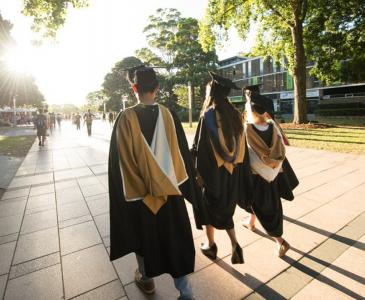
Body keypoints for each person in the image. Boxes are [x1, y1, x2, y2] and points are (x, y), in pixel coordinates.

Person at [108, 65, 201, 300]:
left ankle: (146, 279)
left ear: (133, 88)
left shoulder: (125, 118)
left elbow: (120, 164)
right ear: (157, 88)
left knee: (143, 238)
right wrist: (192, 194)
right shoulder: (168, 115)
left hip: (141, 198)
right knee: (174, 239)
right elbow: (182, 157)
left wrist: (136, 192)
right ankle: (185, 292)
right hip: (170, 193)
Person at [191, 72, 252, 264]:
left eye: (209, 87)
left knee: (208, 209)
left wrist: (198, 173)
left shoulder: (208, 115)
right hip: (232, 172)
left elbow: (200, 149)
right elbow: (242, 148)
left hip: (213, 173)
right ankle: (235, 244)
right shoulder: (235, 114)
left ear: (213, 90)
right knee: (225, 210)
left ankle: (210, 245)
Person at [242, 86, 299, 257]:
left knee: (263, 207)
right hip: (273, 175)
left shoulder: (247, 129)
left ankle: (280, 241)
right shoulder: (273, 126)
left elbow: (244, 153)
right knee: (270, 203)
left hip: (257, 176)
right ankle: (250, 223)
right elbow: (281, 148)